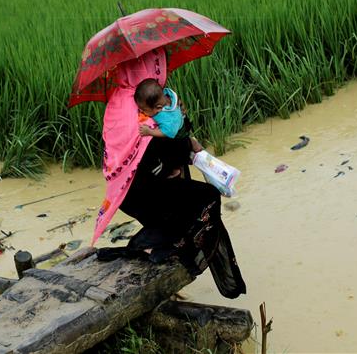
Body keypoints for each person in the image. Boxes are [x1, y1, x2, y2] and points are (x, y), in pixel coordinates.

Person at [92, 48, 246, 299]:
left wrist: (177, 123)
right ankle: (183, 251)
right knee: (208, 196)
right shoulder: (142, 109)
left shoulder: (120, 107)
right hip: (149, 189)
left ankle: (172, 242)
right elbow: (170, 146)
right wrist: (184, 133)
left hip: (129, 195)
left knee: (188, 194)